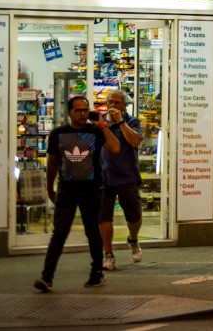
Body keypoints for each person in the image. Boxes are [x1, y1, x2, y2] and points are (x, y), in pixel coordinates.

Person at [34, 94, 114, 291]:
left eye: (85, 110)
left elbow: (115, 148)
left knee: (93, 232)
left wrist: (103, 125)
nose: (82, 114)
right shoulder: (58, 134)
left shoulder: (96, 131)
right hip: (67, 189)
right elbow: (52, 163)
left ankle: (97, 273)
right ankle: (47, 277)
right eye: (78, 110)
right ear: (69, 112)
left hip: (92, 190)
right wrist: (50, 187)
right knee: (59, 233)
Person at [96, 90, 144, 269]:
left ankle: (133, 239)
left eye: (117, 103)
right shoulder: (99, 123)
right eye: (110, 102)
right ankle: (108, 254)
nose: (113, 106)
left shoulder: (132, 122)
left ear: (125, 106)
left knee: (134, 216)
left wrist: (121, 122)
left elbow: (135, 141)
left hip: (127, 176)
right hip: (103, 177)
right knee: (104, 217)